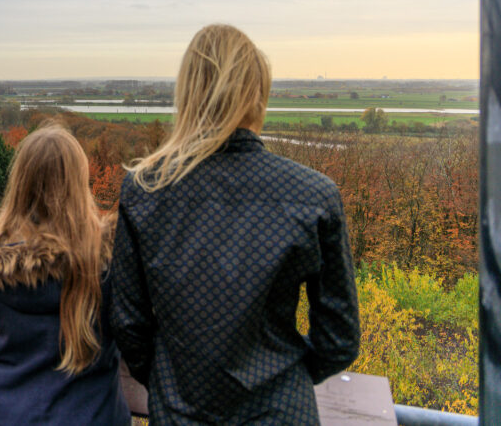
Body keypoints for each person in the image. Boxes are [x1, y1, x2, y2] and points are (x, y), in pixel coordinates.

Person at [109, 24, 361, 425]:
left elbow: (129, 326)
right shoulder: (314, 196)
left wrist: (174, 383)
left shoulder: (145, 191)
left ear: (188, 93)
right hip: (282, 414)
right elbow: (340, 338)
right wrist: (285, 378)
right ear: (257, 97)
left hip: (180, 414)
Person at [0, 124, 131, 425]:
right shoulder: (103, 262)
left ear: (20, 182)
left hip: (7, 414)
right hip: (92, 415)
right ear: (79, 183)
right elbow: (134, 333)